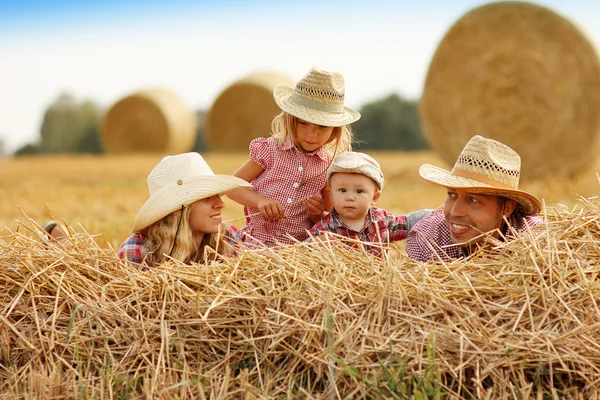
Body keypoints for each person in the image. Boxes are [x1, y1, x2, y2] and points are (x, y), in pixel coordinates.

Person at [227, 67, 360, 247]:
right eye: (303, 123)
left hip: (297, 249)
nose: (311, 134)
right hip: (257, 243)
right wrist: (260, 201)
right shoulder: (270, 149)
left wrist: (316, 213)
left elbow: (327, 215)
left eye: (322, 126)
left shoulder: (329, 167)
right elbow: (233, 187)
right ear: (290, 119)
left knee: (331, 241)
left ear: (335, 129)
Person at [46, 152, 251, 267]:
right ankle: (63, 243)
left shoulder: (230, 240)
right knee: (90, 266)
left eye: (218, 194)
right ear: (180, 209)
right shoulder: (137, 252)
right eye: (206, 197)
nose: (221, 203)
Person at [406, 135, 544, 262]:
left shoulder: (537, 245)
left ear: (507, 209)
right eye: (452, 195)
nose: (454, 212)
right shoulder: (427, 237)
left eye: (473, 200)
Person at [306, 152, 431, 255]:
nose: (349, 197)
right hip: (340, 284)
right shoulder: (324, 229)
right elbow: (298, 252)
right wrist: (312, 244)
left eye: (359, 191)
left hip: (378, 283)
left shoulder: (381, 221)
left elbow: (409, 223)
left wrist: (433, 214)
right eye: (342, 190)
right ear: (331, 194)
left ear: (374, 197)